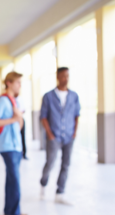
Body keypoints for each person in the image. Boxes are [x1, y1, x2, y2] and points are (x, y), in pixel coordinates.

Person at [0, 72, 27, 215]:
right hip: (8, 146)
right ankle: (15, 214)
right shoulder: (3, 101)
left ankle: (9, 209)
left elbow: (19, 125)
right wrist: (14, 118)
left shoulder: (13, 101)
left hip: (16, 146)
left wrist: (19, 118)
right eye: (18, 82)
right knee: (15, 179)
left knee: (12, 178)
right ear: (9, 83)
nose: (20, 86)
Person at [40, 67, 80, 205]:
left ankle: (60, 192)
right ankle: (43, 184)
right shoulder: (48, 96)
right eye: (63, 76)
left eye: (68, 76)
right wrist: (50, 134)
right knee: (50, 163)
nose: (66, 79)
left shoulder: (74, 96)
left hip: (69, 136)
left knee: (66, 164)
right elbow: (43, 117)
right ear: (58, 77)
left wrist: (74, 132)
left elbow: (76, 115)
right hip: (54, 136)